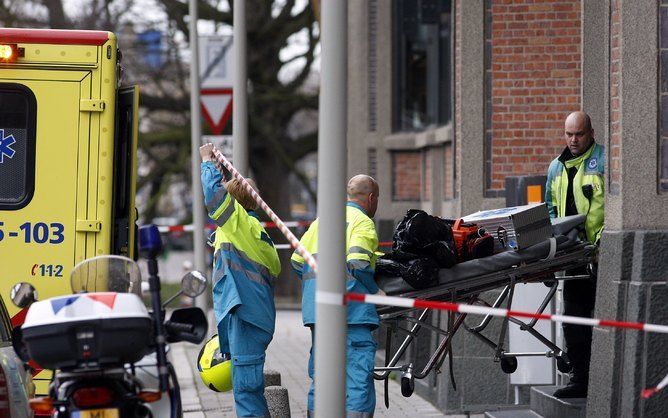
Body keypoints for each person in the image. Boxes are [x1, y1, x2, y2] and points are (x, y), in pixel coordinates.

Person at [291, 174, 385, 418]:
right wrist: (376, 291)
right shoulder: (362, 223)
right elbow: (358, 262)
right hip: (351, 313)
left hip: (318, 313)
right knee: (356, 378)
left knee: (322, 378)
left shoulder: (321, 222)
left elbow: (296, 261)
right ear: (371, 198)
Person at [200, 143, 280, 417]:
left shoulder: (240, 227)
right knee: (250, 392)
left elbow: (214, 199)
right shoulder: (250, 230)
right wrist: (223, 172)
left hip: (245, 318)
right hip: (251, 316)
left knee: (246, 393)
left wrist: (207, 163)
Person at [545, 111, 604, 398]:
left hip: (600, 255)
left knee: (600, 320)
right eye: (569, 134)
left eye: (579, 134)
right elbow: (550, 209)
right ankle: (580, 379)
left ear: (591, 133)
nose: (573, 139)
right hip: (573, 257)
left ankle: (600, 380)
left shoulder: (602, 161)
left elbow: (609, 208)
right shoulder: (556, 168)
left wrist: (602, 243)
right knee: (573, 320)